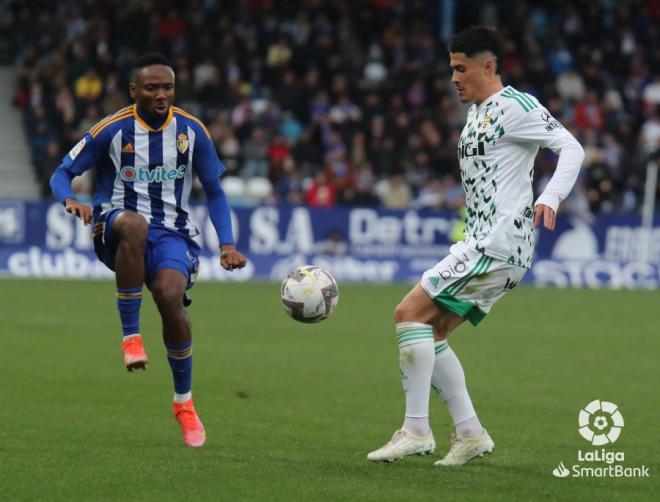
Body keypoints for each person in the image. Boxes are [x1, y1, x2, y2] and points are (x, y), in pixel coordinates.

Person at [367, 26, 584, 466]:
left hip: (497, 243)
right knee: (433, 331)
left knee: (408, 314)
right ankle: (470, 434)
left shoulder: (517, 106)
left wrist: (550, 195)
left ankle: (416, 430)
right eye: (451, 68)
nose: (453, 77)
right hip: (483, 241)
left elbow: (571, 147)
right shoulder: (476, 115)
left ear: (488, 66)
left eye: (460, 68)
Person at [50, 53, 247, 448]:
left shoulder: (191, 131)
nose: (161, 95)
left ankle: (184, 403)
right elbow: (61, 172)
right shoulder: (112, 129)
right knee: (135, 225)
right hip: (115, 225)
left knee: (171, 296)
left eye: (168, 87)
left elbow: (215, 190)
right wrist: (71, 199)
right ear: (134, 90)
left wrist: (227, 244)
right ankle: (131, 338)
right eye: (152, 87)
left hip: (172, 232)